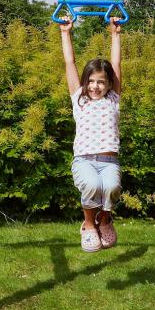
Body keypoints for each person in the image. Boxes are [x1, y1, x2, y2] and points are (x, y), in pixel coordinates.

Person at [60, 16, 122, 252]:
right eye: (91, 81)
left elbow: (116, 65)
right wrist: (65, 33)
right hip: (85, 161)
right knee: (92, 185)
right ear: (85, 83)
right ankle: (88, 224)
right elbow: (69, 63)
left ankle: (104, 220)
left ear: (108, 85)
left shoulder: (113, 99)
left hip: (109, 161)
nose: (95, 86)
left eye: (101, 82)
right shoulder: (79, 99)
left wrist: (115, 34)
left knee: (112, 188)